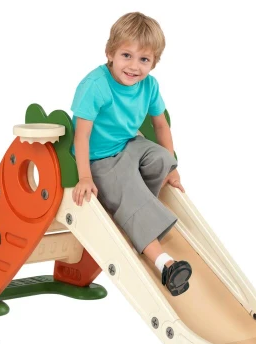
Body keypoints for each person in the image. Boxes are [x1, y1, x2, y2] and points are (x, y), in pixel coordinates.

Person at [70, 12, 192, 296]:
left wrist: (172, 168)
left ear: (154, 63)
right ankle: (165, 264)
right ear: (110, 53)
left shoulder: (149, 86)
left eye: (144, 59)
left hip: (128, 144)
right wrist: (85, 177)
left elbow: (161, 125)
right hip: (99, 158)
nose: (134, 66)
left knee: (161, 158)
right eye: (126, 55)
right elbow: (81, 136)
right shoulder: (96, 86)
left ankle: (133, 207)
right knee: (129, 190)